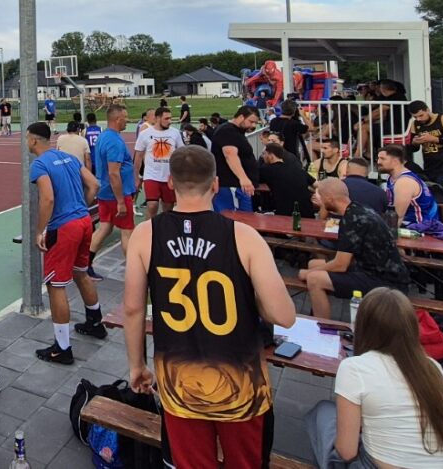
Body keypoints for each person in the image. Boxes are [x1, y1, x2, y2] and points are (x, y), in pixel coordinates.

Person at [124, 145, 296, 469]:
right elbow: (283, 316)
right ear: (215, 184)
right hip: (242, 382)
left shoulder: (145, 234)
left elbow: (133, 309)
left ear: (170, 183)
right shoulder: (244, 236)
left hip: (178, 382)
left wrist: (137, 365)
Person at [306, 288, 443, 469]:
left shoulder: (354, 368)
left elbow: (346, 453)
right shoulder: (433, 367)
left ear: (363, 326)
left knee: (322, 412)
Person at [26, 122, 105, 363]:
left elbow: (48, 198)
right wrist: (81, 206)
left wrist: (40, 231)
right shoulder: (69, 158)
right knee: (81, 272)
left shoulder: (39, 165)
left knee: (56, 284)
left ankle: (62, 347)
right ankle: (95, 322)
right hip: (84, 221)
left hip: (64, 227)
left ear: (33, 140)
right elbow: (94, 184)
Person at [299, 178, 410, 318]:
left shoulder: (351, 220)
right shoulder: (359, 209)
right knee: (313, 264)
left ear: (329, 199)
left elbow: (340, 265)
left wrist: (308, 273)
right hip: (372, 268)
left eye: (319, 196)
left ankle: (322, 326)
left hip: (385, 281)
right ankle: (316, 310)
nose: (318, 201)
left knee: (314, 278)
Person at [88, 104, 136, 281]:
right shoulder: (114, 141)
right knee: (127, 231)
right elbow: (114, 173)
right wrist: (121, 201)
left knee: (105, 228)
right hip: (116, 194)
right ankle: (135, 273)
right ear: (117, 119)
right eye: (125, 117)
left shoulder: (104, 136)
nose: (127, 120)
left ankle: (85, 264)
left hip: (105, 193)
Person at [407, 101, 443, 202]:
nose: (419, 119)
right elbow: (413, 149)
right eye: (415, 117)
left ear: (427, 110)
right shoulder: (416, 124)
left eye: (421, 115)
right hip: (430, 168)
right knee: (434, 201)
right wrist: (415, 143)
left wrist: (436, 139)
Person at [133, 106, 183, 221]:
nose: (170, 121)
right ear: (158, 118)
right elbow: (138, 157)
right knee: (152, 205)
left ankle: (165, 228)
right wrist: (136, 178)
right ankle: (149, 229)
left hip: (169, 177)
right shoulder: (145, 134)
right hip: (151, 176)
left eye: (170, 118)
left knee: (168, 208)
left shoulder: (175, 133)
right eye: (166, 118)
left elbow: (182, 153)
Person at [210, 106, 261, 212]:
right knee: (235, 218)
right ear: (241, 117)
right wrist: (244, 178)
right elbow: (230, 155)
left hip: (237, 186)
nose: (253, 125)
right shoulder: (228, 131)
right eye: (251, 121)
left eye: (255, 123)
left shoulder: (235, 132)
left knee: (243, 218)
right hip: (231, 185)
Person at [378, 145, 441, 228]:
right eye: (378, 158)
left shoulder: (404, 182)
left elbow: (397, 217)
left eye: (382, 159)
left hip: (421, 228)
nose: (378, 162)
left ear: (395, 161)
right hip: (410, 226)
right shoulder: (392, 178)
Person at [259, 143, 314, 217]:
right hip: (308, 214)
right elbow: (317, 184)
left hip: (285, 215)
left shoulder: (266, 169)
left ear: (271, 155)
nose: (262, 156)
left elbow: (252, 181)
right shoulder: (298, 169)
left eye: (264, 153)